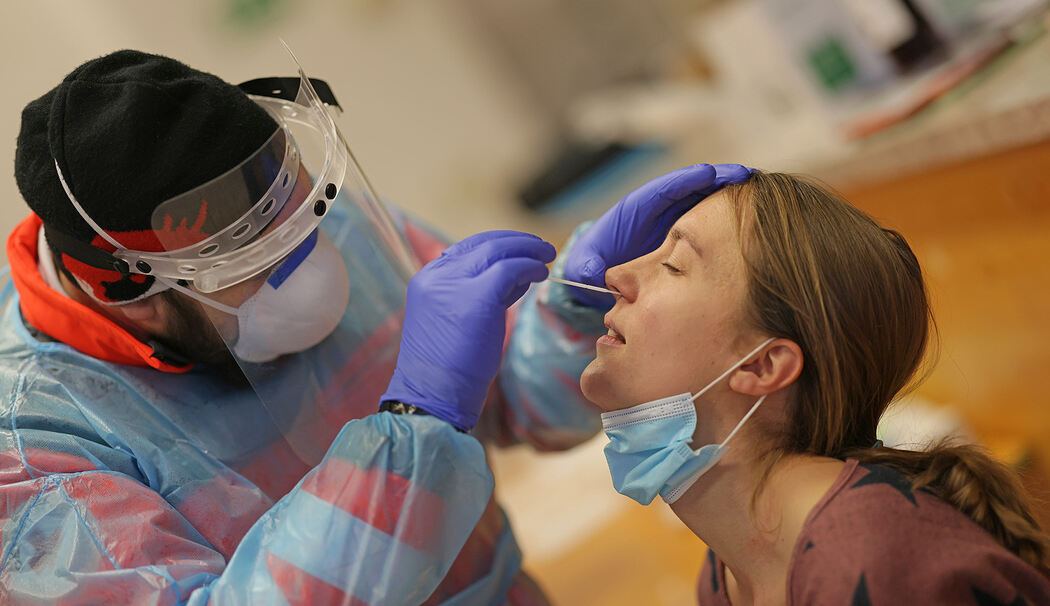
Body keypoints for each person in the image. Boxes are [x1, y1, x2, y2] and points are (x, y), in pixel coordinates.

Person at [0, 49, 752, 604]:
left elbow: (514, 406)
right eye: (263, 260)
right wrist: (413, 423)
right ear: (130, 292)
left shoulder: (299, 216)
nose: (316, 262)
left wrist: (575, 312)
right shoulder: (37, 449)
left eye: (301, 224)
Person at [567, 168, 1050, 604]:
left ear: (762, 365)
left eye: (673, 265)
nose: (615, 276)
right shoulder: (731, 573)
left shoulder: (873, 565)